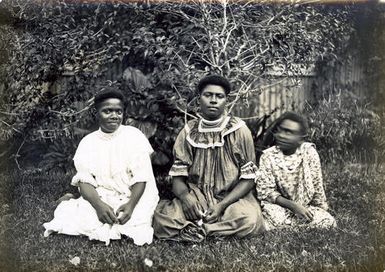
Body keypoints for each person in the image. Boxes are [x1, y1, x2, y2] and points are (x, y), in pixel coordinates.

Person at [153, 75, 265, 242]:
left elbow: (248, 180)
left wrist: (221, 206)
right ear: (199, 99)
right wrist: (186, 198)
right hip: (197, 197)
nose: (213, 100)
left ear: (226, 100)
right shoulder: (188, 132)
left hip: (230, 198)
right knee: (162, 219)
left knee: (250, 220)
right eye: (208, 95)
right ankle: (210, 230)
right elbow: (177, 179)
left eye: (219, 96)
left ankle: (200, 231)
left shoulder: (239, 130)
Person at [43, 87, 159, 246]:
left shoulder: (134, 136)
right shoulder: (88, 142)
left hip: (136, 193)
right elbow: (85, 180)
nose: (114, 116)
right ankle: (73, 201)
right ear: (97, 113)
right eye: (108, 111)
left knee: (132, 226)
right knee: (83, 219)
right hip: (104, 193)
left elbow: (142, 177)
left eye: (119, 111)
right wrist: (98, 206)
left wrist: (131, 206)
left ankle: (124, 211)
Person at [255, 111, 336, 230]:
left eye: (289, 132)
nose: (282, 135)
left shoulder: (309, 153)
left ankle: (288, 226)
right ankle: (290, 225)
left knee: (327, 221)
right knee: (270, 216)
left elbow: (317, 186)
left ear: (301, 139)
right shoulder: (268, 156)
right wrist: (292, 206)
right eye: (280, 130)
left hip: (305, 205)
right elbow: (267, 192)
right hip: (279, 206)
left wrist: (321, 208)